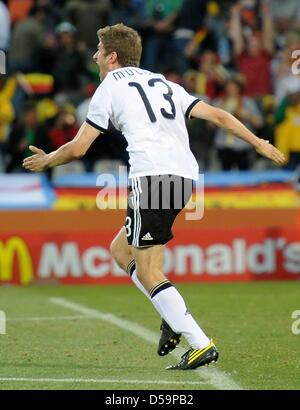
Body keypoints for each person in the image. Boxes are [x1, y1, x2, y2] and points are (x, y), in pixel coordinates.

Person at [23, 23, 286, 370]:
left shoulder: (109, 87)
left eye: (99, 50)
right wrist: (260, 143)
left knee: (149, 270)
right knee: (120, 250)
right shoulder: (164, 82)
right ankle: (170, 317)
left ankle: (199, 342)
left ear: (112, 56)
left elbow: (79, 147)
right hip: (185, 177)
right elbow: (219, 115)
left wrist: (47, 160)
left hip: (153, 175)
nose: (94, 56)